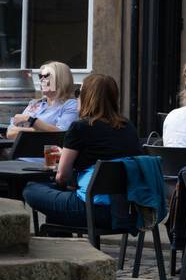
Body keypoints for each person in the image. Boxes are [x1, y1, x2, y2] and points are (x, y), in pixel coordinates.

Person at [23, 74, 142, 228]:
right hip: (122, 210)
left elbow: (62, 176)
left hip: (89, 209)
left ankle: (58, 238)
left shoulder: (80, 127)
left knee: (31, 189)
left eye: (79, 92)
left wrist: (65, 164)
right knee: (58, 194)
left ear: (87, 97)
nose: (76, 97)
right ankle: (59, 233)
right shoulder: (128, 127)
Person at [8, 60, 79, 139]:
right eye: (40, 76)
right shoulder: (35, 103)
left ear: (60, 79)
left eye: (46, 76)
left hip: (47, 150)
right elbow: (10, 132)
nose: (41, 80)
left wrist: (30, 120)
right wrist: (41, 129)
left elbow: (62, 134)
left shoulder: (71, 105)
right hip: (20, 149)